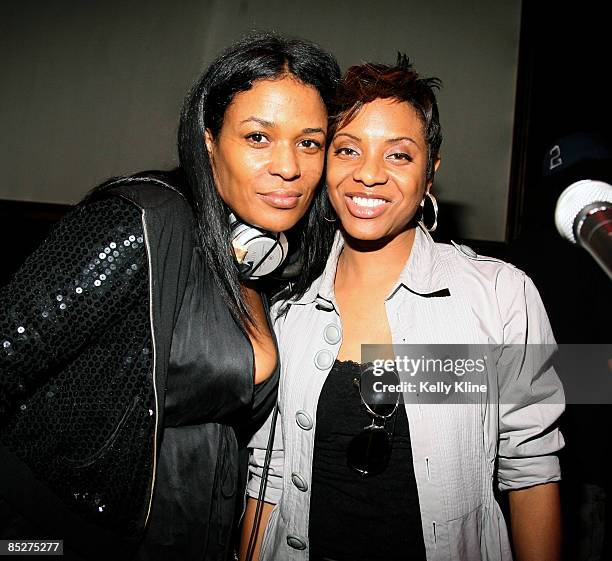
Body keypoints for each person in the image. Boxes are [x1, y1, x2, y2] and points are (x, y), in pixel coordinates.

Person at [0, 32, 340, 561]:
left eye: (309, 142)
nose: (289, 166)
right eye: (257, 137)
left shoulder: (263, 257)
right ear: (209, 139)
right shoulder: (140, 222)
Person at [243, 56, 565, 561]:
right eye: (347, 150)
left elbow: (531, 470)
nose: (368, 175)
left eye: (398, 156)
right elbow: (267, 472)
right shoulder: (286, 304)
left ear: (430, 171)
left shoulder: (499, 297)